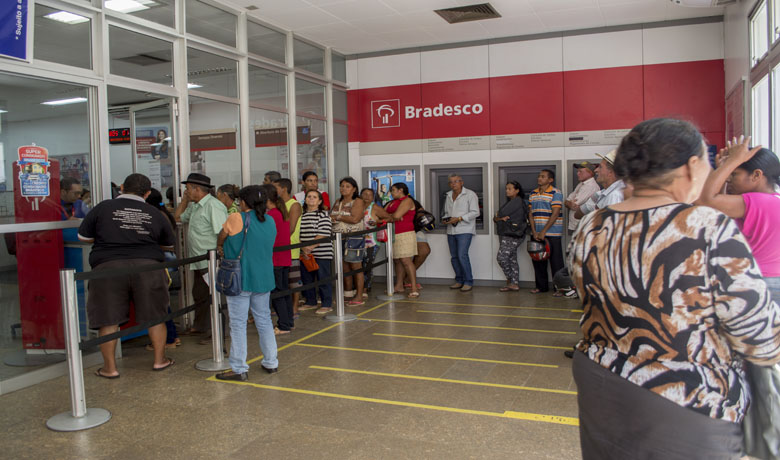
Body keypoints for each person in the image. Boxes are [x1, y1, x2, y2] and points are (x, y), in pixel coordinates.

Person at [569, 118, 780, 459]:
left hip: (602, 387)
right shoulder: (707, 226)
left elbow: (586, 292)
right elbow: (758, 334)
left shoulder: (594, 224)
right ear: (692, 166)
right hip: (685, 397)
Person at [77, 174, 176, 378]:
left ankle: (109, 368)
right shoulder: (154, 212)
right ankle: (160, 360)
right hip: (148, 267)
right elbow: (168, 244)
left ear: (122, 187)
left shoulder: (103, 208)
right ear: (147, 193)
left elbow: (84, 237)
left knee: (108, 319)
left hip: (109, 268)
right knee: (156, 316)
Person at [697, 136, 780, 301]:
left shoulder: (757, 201)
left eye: (734, 174)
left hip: (759, 281)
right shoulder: (771, 201)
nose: (728, 179)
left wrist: (730, 162)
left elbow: (705, 201)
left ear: (756, 175)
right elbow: (716, 213)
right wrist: (725, 167)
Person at [215, 186, 279, 381]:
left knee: (238, 323)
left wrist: (220, 245)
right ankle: (271, 362)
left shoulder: (237, 218)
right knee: (264, 320)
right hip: (264, 277)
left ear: (244, 202)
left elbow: (222, 235)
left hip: (240, 278)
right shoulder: (270, 221)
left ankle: (239, 368)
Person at [174, 173, 228, 336]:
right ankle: (202, 326)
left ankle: (219, 332)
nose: (186, 192)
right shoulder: (195, 205)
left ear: (197, 189)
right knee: (200, 294)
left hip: (211, 261)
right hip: (198, 261)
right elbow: (177, 218)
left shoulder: (213, 206)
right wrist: (184, 201)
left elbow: (223, 231)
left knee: (215, 297)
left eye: (188, 189)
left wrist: (220, 253)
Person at [144, 188, 181, 350]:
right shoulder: (163, 213)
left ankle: (169, 337)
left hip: (162, 259)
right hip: (167, 258)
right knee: (162, 301)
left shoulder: (156, 216)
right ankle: (170, 336)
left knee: (160, 302)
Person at [261, 184, 293, 335]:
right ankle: (288, 321)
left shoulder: (271, 215)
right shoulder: (280, 212)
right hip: (284, 257)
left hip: (276, 259)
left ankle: (284, 325)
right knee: (284, 291)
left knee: (277, 293)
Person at [331, 177, 367, 306]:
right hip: (338, 237)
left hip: (354, 238)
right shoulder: (337, 201)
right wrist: (338, 217)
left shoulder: (357, 201)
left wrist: (339, 216)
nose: (343, 188)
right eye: (342, 186)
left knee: (356, 266)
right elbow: (331, 216)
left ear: (354, 189)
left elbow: (355, 219)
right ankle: (348, 293)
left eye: (347, 186)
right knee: (344, 266)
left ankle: (359, 295)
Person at [528, 169, 564, 294]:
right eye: (539, 176)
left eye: (543, 176)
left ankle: (559, 288)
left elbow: (555, 214)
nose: (539, 178)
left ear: (550, 180)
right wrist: (534, 231)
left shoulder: (556, 193)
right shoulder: (533, 193)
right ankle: (541, 287)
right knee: (538, 260)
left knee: (556, 262)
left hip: (552, 233)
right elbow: (531, 214)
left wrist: (543, 231)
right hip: (536, 233)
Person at [442, 174, 480, 292]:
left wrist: (459, 218)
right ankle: (459, 280)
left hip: (464, 230)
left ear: (462, 182)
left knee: (462, 255)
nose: (453, 184)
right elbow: (446, 212)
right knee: (454, 257)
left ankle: (468, 281)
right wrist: (446, 219)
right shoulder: (448, 195)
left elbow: (475, 212)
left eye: (456, 181)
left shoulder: (470, 194)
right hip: (451, 230)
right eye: (451, 182)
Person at [299, 190, 334, 315]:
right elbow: (297, 233)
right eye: (309, 197)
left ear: (319, 201)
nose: (311, 199)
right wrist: (303, 248)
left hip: (322, 253)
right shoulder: (301, 215)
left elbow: (323, 234)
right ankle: (310, 301)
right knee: (307, 279)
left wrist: (309, 247)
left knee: (323, 279)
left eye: (314, 197)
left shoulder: (323, 215)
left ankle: (326, 304)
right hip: (305, 254)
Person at [273, 178, 303, 318]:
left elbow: (290, 228)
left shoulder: (294, 205)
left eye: (276, 188)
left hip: (291, 248)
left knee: (293, 281)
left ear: (284, 189)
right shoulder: (277, 206)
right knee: (282, 282)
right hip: (279, 249)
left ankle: (295, 306)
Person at [384, 183, 419, 298]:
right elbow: (382, 214)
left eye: (393, 190)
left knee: (406, 260)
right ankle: (399, 285)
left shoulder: (407, 200)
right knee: (397, 260)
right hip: (392, 233)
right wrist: (391, 216)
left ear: (401, 190)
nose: (392, 192)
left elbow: (396, 215)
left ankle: (414, 288)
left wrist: (390, 216)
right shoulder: (391, 202)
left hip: (405, 233)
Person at [494, 181, 527, 292]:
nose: (507, 191)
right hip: (508, 233)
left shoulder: (517, 201)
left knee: (501, 258)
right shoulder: (510, 202)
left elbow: (500, 213)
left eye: (509, 189)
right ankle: (514, 284)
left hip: (512, 234)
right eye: (506, 189)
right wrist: (498, 217)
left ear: (517, 190)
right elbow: (497, 216)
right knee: (512, 259)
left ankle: (510, 280)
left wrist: (499, 217)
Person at [573, 150, 625, 219]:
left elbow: (610, 226)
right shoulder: (603, 193)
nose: (596, 170)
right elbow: (577, 214)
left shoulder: (615, 195)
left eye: (600, 167)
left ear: (610, 172)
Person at [564, 162, 599, 234]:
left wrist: (569, 203)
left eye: (580, 171)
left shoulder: (590, 186)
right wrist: (569, 203)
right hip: (578, 224)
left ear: (590, 173)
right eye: (577, 171)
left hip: (584, 226)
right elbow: (567, 201)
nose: (577, 173)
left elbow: (575, 203)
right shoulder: (581, 184)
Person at [405, 198, 431, 291]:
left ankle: (408, 278)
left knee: (424, 250)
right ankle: (404, 281)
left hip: (415, 230)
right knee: (402, 257)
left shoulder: (413, 201)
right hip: (401, 231)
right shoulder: (391, 203)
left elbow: (422, 212)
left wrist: (421, 217)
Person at [360, 188, 380, 293]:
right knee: (359, 264)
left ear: (373, 197)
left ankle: (366, 287)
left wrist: (377, 221)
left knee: (367, 264)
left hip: (372, 242)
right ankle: (359, 287)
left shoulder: (375, 207)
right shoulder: (357, 207)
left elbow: (389, 218)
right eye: (364, 194)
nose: (367, 197)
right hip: (357, 241)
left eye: (370, 195)